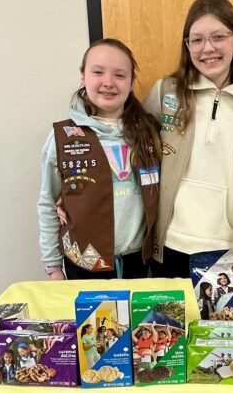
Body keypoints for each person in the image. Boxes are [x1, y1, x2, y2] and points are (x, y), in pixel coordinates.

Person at [143, 0, 233, 277]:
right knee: (166, 322)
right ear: (187, 45)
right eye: (197, 39)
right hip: (170, 244)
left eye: (218, 37)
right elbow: (129, 142)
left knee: (218, 322)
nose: (208, 48)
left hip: (229, 251)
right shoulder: (165, 92)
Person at [38, 38, 161, 280]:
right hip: (83, 265)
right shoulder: (62, 138)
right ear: (83, 76)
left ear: (131, 82)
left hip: (140, 264)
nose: (108, 82)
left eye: (119, 75)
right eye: (98, 72)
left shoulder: (151, 133)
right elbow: (47, 204)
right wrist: (53, 267)